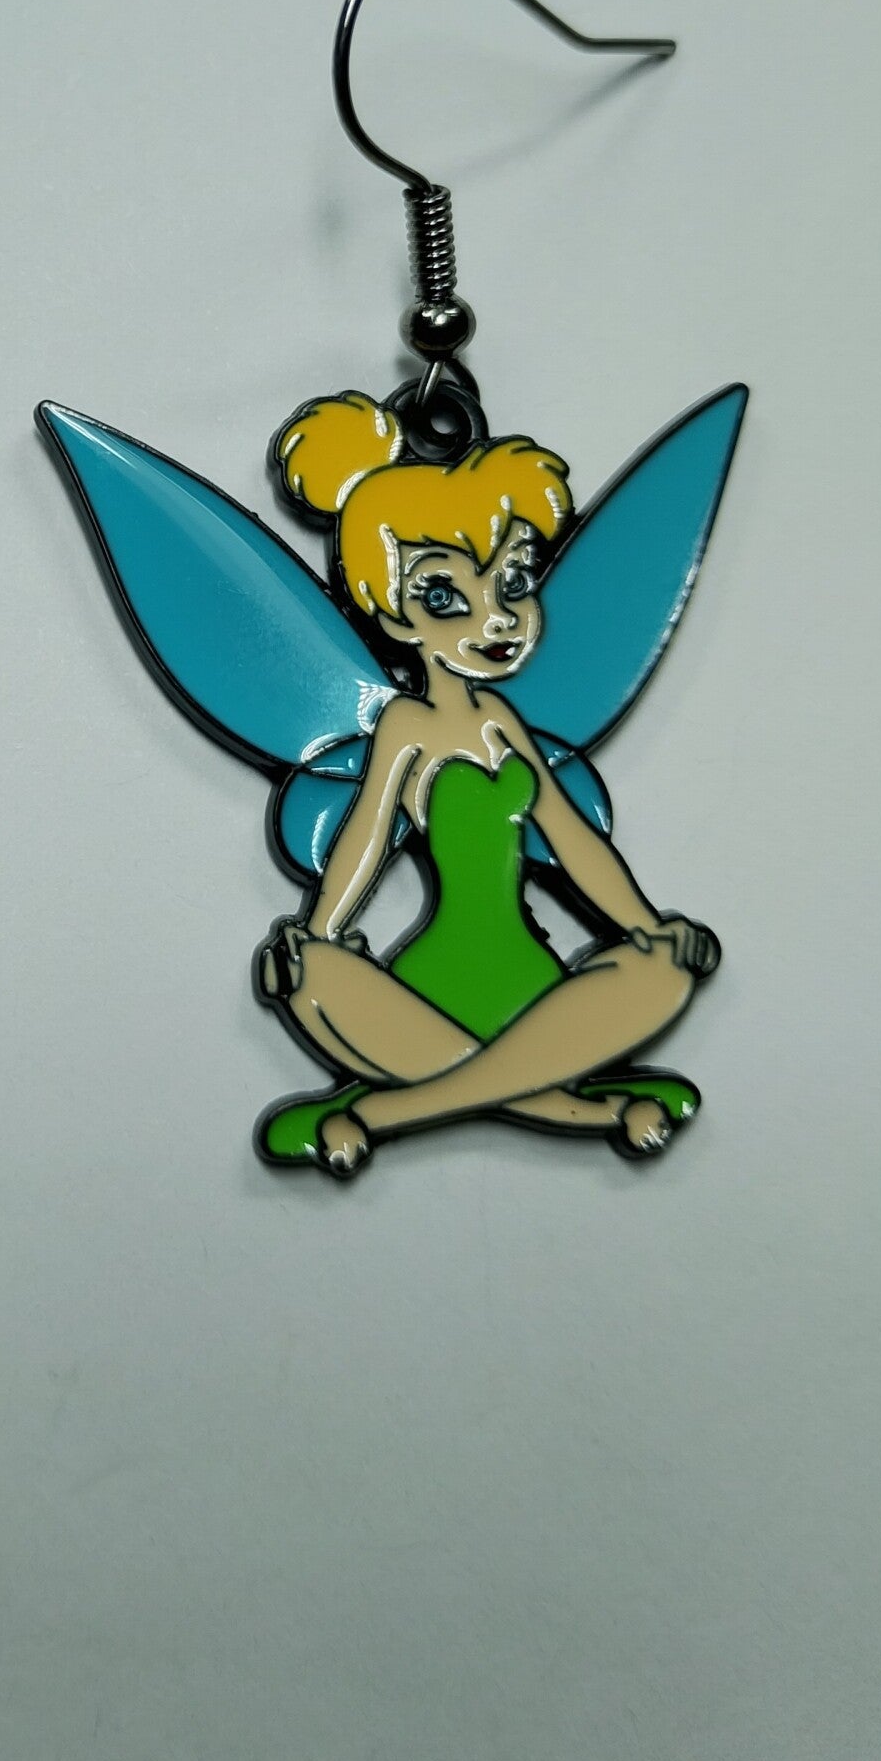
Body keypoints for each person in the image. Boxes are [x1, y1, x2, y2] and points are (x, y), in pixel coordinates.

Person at [256, 395, 719, 1176]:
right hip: (427, 984)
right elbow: (366, 839)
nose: (496, 617)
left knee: (666, 971)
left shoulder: (502, 719)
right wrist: (321, 935)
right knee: (314, 981)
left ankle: (384, 1112)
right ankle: (582, 1102)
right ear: (391, 614)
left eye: (512, 580)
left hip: (535, 976)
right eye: (444, 595)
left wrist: (647, 927)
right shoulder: (404, 725)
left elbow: (572, 841)